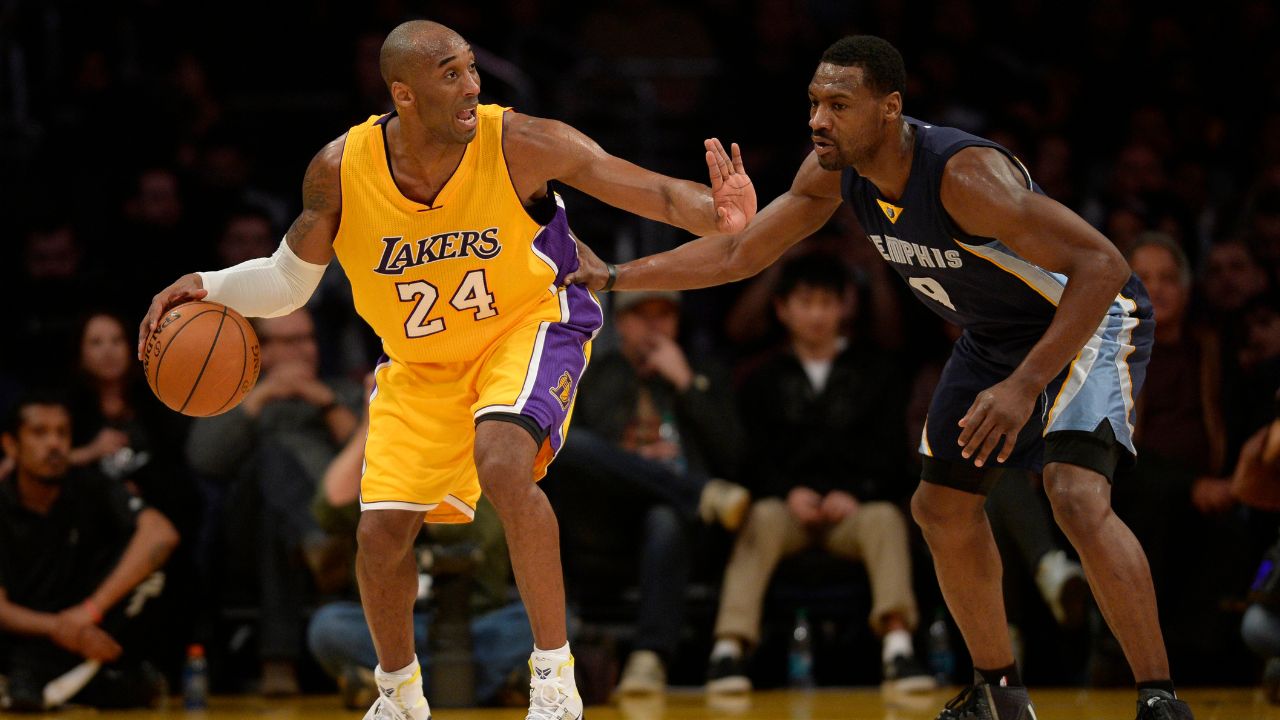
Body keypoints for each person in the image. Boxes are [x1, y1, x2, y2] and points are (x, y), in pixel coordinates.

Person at [137, 19, 755, 720]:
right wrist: (208, 284)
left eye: (471, 68)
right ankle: (400, 696)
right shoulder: (340, 169)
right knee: (379, 533)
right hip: (420, 363)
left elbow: (654, 193)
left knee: (501, 460)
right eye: (451, 74)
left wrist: (721, 212)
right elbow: (287, 284)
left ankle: (555, 681)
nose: (473, 85)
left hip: (529, 325)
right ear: (402, 92)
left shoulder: (520, 141)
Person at [569, 35, 1193, 720]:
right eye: (813, 102)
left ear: (890, 110)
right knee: (940, 507)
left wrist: (1023, 385)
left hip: (1091, 317)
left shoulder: (966, 177)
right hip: (994, 336)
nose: (818, 120)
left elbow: (1101, 267)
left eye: (839, 105)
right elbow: (741, 252)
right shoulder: (834, 173)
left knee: (1073, 495)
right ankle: (1000, 695)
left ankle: (1158, 698)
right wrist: (618, 277)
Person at [704, 254, 933, 694]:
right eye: (805, 302)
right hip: (789, 511)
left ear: (844, 307)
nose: (816, 314)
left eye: (826, 303)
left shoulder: (878, 372)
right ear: (782, 309)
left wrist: (855, 492)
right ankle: (728, 650)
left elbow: (891, 455)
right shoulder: (761, 378)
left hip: (853, 510)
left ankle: (899, 647)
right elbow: (749, 457)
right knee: (760, 516)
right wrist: (788, 492)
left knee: (886, 518)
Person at [550, 289, 747, 695]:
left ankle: (649, 660)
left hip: (682, 530)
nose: (656, 326)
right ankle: (698, 492)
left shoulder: (702, 371)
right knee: (570, 444)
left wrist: (688, 384)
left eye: (665, 316)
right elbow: (576, 463)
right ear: (620, 323)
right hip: (606, 521)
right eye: (643, 315)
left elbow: (738, 459)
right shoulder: (592, 375)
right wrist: (634, 458)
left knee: (664, 518)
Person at [185, 308, 362, 696]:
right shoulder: (233, 396)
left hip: (340, 531)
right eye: (290, 341)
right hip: (241, 543)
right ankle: (315, 542)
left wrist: (327, 403)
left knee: (278, 522)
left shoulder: (342, 394)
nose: (304, 350)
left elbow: (375, 459)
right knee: (272, 458)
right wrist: (262, 395)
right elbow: (204, 458)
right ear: (260, 350)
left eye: (308, 338)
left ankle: (277, 661)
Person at [0, 391, 178, 711]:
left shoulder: (90, 486)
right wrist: (60, 628)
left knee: (150, 568)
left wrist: (89, 612)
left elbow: (161, 534)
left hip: (91, 626)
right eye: (39, 433)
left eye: (62, 433)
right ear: (11, 445)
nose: (54, 444)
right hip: (23, 635)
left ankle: (54, 681)